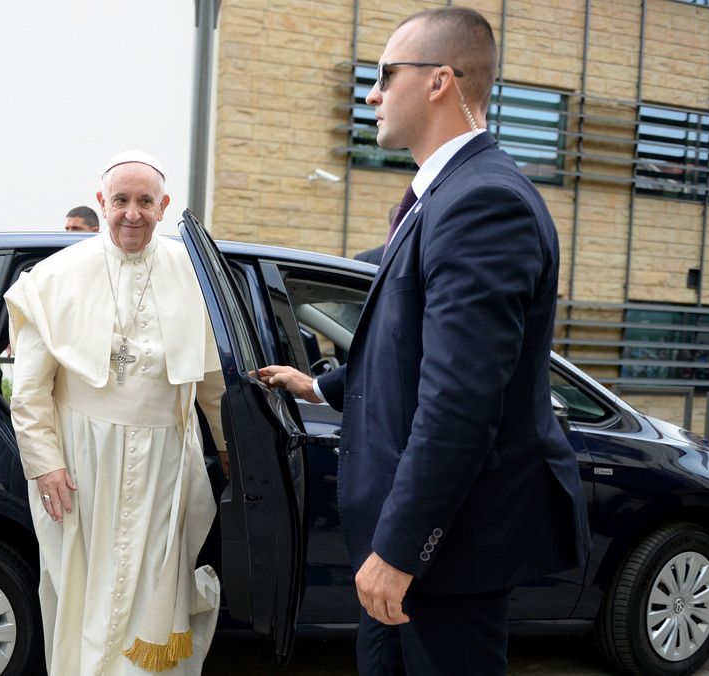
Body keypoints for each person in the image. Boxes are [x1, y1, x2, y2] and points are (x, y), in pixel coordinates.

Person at [258, 8, 590, 674]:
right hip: (406, 549)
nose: (372, 94)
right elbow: (406, 349)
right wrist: (321, 385)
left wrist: (405, 547)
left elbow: (461, 403)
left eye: (384, 75)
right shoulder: (442, 198)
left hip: (443, 556)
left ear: (440, 80)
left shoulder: (483, 203)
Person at [6, 150, 225, 674]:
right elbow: (30, 391)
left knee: (152, 583)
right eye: (121, 200)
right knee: (85, 586)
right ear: (102, 202)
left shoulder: (192, 276)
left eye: (145, 201)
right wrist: (46, 465)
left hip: (165, 464)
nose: (133, 213)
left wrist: (237, 454)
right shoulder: (56, 276)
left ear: (163, 205)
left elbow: (212, 382)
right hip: (83, 463)